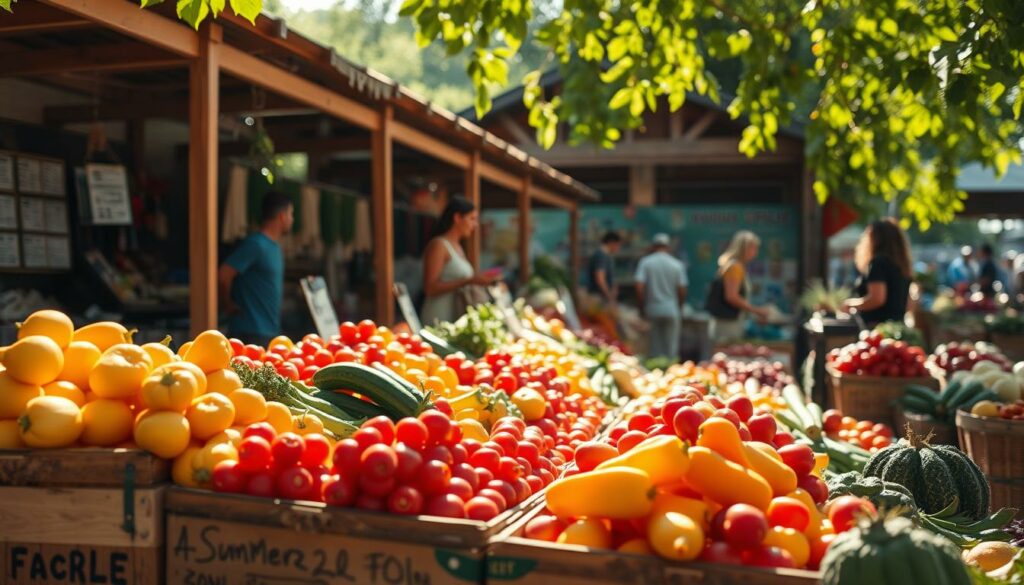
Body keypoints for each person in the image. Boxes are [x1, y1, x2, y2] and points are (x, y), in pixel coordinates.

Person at [218, 190, 294, 346]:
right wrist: (228, 304)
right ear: (282, 216)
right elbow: (224, 274)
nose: (292, 219)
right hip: (249, 333)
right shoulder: (256, 244)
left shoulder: (274, 247)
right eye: (291, 214)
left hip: (269, 331)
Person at [420, 197, 497, 325]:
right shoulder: (439, 245)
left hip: (454, 317)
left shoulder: (458, 247)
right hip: (438, 317)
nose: (475, 225)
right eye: (472, 219)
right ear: (457, 218)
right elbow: (430, 288)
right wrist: (469, 280)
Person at [841, 218, 913, 326]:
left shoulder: (878, 263)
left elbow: (877, 299)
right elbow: (909, 304)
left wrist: (850, 304)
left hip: (877, 329)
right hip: (898, 326)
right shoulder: (901, 265)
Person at [707, 230, 770, 343]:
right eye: (754, 248)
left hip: (729, 321)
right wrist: (756, 311)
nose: (756, 252)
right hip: (727, 323)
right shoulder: (735, 267)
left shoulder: (734, 265)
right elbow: (731, 296)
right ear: (745, 248)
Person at [635, 233, 688, 359]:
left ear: (653, 246)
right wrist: (679, 306)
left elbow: (639, 286)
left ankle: (655, 373)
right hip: (671, 309)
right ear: (668, 247)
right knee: (671, 348)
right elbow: (682, 289)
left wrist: (642, 307)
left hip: (652, 308)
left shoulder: (646, 262)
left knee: (654, 348)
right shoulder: (676, 264)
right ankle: (672, 373)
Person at [587, 231, 623, 306]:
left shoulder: (607, 256)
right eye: (618, 245)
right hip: (599, 297)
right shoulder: (601, 256)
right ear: (611, 242)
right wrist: (609, 296)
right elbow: (600, 279)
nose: (618, 248)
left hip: (604, 297)